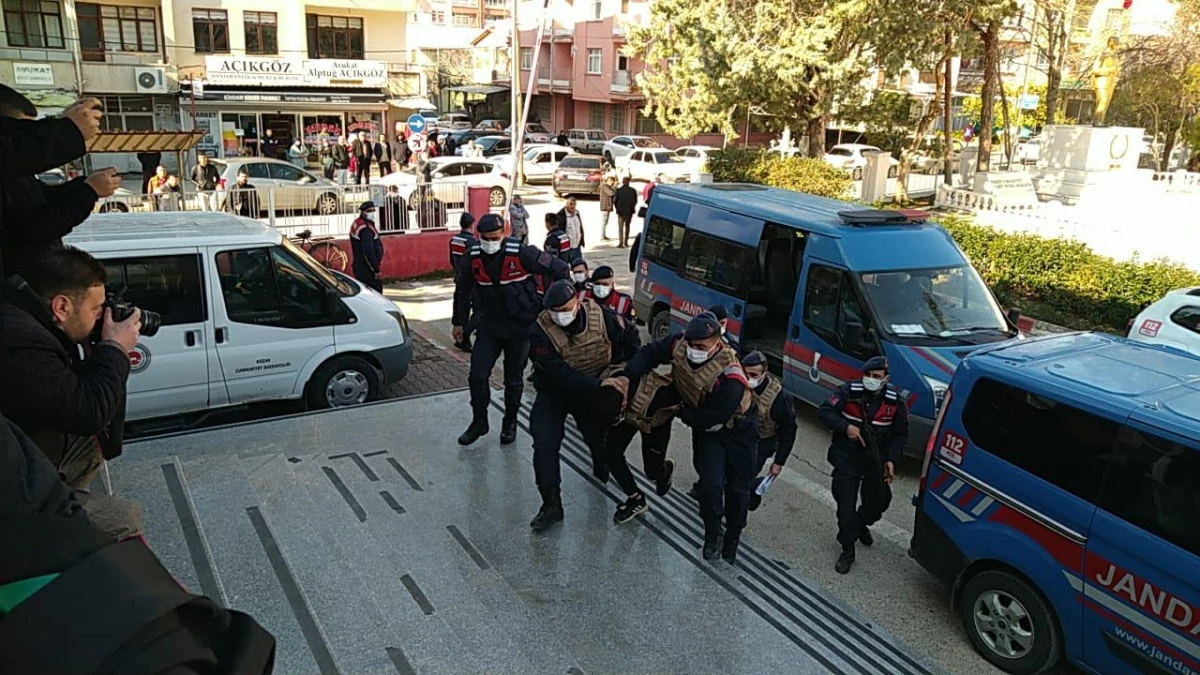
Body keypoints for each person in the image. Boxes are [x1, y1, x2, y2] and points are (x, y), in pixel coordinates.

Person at [0, 246, 144, 539]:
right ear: (61, 307)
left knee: (90, 445)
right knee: (124, 517)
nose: (102, 318)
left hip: (16, 453)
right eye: (95, 309)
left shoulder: (22, 312)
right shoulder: (20, 342)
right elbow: (88, 412)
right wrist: (115, 348)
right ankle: (62, 535)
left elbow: (88, 411)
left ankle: (63, 499)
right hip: (10, 495)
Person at [616, 312, 757, 562]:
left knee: (737, 488)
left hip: (736, 430)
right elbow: (650, 353)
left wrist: (679, 410)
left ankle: (733, 533)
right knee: (711, 486)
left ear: (717, 342)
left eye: (701, 347)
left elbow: (712, 418)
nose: (694, 350)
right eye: (691, 344)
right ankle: (713, 534)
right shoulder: (680, 344)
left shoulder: (731, 376)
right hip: (707, 433)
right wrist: (628, 377)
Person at [526, 280, 639, 530]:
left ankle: (601, 463)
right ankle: (551, 504)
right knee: (544, 443)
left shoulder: (604, 318)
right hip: (555, 392)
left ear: (577, 301)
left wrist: (623, 376)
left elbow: (632, 339)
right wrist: (601, 386)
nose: (560, 316)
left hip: (592, 392)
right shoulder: (540, 330)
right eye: (554, 311)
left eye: (565, 308)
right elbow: (559, 373)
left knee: (596, 439)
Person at [452, 213, 569, 447]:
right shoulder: (472, 257)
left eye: (494, 237)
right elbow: (462, 292)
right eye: (485, 238)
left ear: (503, 234)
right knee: (477, 376)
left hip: (520, 327)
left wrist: (553, 303)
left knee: (513, 380)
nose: (490, 243)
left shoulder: (522, 253)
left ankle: (510, 422)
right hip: (489, 326)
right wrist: (459, 323)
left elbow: (561, 269)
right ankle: (480, 421)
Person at [0, 88, 118, 277]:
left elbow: (44, 201)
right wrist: (88, 191)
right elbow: (37, 225)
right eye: (23, 131)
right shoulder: (10, 171)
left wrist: (87, 187)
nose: (30, 135)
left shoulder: (17, 175)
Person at [817, 355, 909, 575]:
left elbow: (900, 435)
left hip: (874, 462)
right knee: (845, 508)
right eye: (868, 375)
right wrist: (845, 427)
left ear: (885, 379)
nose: (871, 379)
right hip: (847, 459)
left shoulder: (895, 402)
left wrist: (891, 460)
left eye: (876, 376)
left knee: (879, 502)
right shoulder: (848, 392)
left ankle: (859, 525)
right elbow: (825, 411)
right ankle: (847, 548)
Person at [598, 365, 680, 524]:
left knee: (652, 471)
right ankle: (635, 497)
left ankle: (664, 471)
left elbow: (677, 403)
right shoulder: (608, 387)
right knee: (611, 453)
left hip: (655, 420)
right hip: (628, 415)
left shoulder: (660, 397)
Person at [741, 351, 798, 512]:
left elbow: (789, 431)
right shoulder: (737, 381)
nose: (748, 378)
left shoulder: (779, 397)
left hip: (760, 444)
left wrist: (779, 462)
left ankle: (750, 494)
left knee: (742, 480)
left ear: (764, 374)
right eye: (745, 373)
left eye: (753, 374)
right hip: (736, 436)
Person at [449, 212, 478, 352]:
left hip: (459, 277)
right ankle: (465, 335)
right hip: (471, 281)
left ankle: (459, 334)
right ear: (472, 225)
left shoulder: (454, 240)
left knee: (460, 307)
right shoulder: (472, 242)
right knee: (476, 310)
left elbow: (451, 260)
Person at [350, 201, 384, 292]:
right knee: (376, 293)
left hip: (360, 266)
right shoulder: (365, 229)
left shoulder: (359, 222)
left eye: (373, 210)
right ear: (362, 212)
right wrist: (376, 270)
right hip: (366, 268)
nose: (372, 213)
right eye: (369, 211)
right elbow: (368, 252)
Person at [613, 176, 639, 249]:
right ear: (628, 182)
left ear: (623, 182)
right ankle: (626, 242)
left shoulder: (619, 190)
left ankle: (621, 242)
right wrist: (632, 207)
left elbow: (614, 201)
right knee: (627, 226)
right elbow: (635, 201)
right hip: (629, 211)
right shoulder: (632, 190)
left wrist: (617, 208)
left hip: (620, 211)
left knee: (620, 227)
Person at [599, 176, 616, 241]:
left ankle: (604, 235)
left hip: (607, 206)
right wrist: (614, 188)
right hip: (605, 206)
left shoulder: (607, 187)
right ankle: (602, 236)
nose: (613, 183)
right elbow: (611, 193)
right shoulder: (605, 186)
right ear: (610, 181)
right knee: (604, 222)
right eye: (613, 182)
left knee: (605, 222)